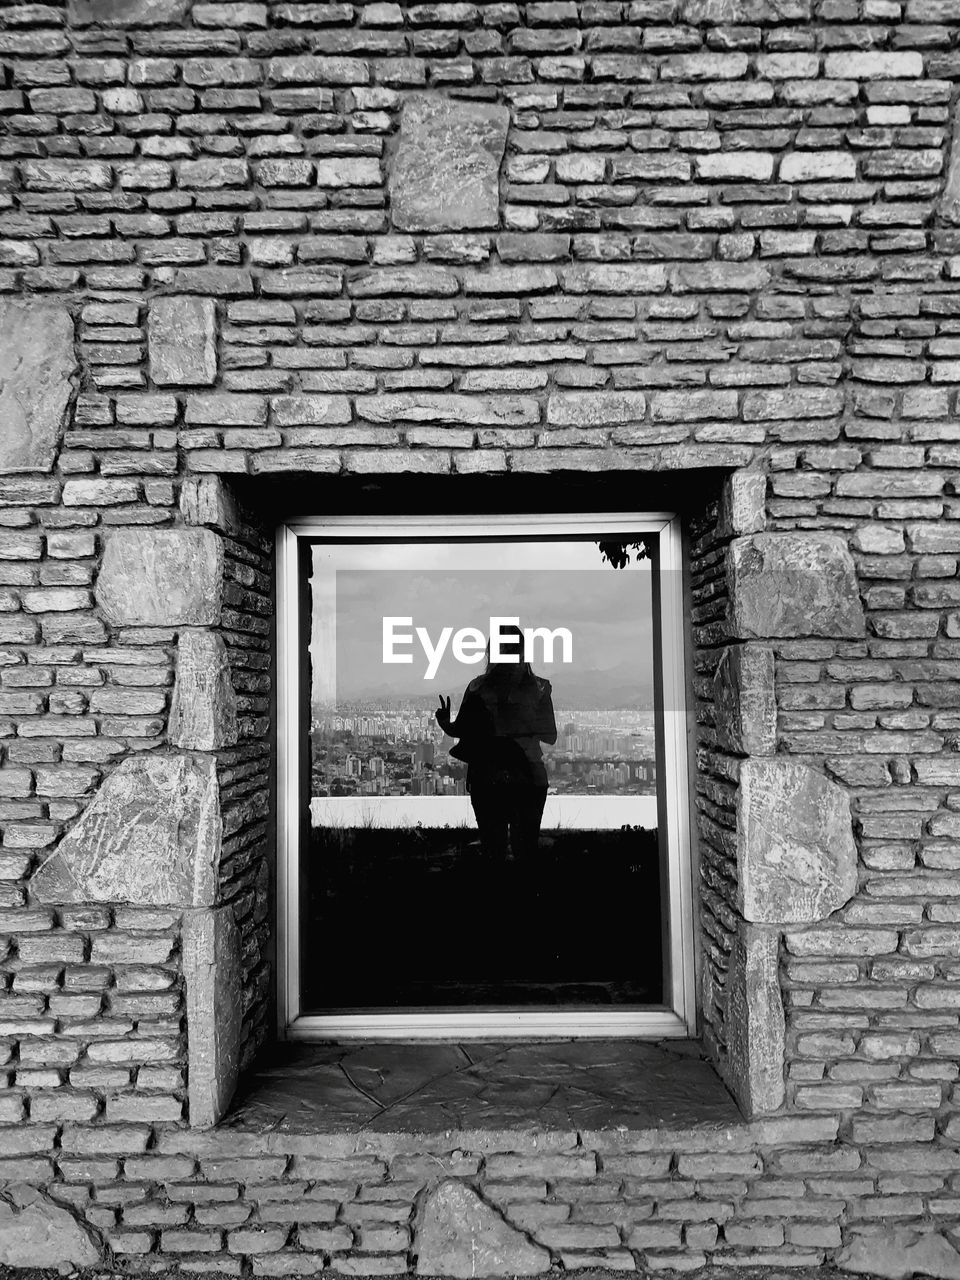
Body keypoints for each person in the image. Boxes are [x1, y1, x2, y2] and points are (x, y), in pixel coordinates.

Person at [436, 624, 557, 862]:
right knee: (526, 853)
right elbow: (550, 735)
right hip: (529, 777)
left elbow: (459, 730)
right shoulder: (540, 689)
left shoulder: (478, 689)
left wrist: (444, 722)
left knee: (493, 852)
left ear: (492, 652)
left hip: (488, 777)